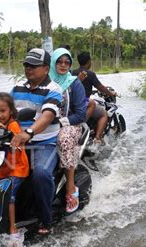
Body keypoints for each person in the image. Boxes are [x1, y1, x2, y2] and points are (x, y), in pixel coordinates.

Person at [0, 48, 63, 235]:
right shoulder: (18, 86)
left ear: (46, 69)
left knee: (40, 174)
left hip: (42, 142)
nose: (28, 69)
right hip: (13, 140)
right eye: (26, 65)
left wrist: (29, 132)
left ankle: (45, 219)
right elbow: (1, 107)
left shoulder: (54, 90)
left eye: (33, 66)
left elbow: (48, 115)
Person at [49, 48, 87, 213]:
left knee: (64, 139)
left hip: (70, 124)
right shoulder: (45, 81)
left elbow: (81, 114)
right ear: (53, 62)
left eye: (67, 62)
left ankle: (71, 187)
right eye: (59, 61)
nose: (63, 65)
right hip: (44, 124)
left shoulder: (74, 83)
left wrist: (60, 122)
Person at [0, 92, 29, 246]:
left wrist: (5, 130)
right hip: (2, 166)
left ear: (10, 111)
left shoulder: (12, 125)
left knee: (8, 192)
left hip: (16, 168)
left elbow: (16, 137)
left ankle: (13, 229)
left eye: (2, 111)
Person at [72, 52, 117, 149]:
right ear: (89, 62)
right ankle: (97, 139)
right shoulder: (89, 74)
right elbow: (101, 87)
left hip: (72, 104)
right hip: (84, 102)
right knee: (103, 114)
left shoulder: (72, 72)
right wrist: (111, 93)